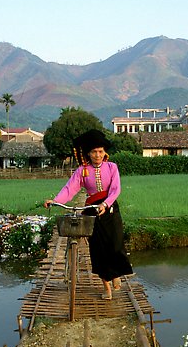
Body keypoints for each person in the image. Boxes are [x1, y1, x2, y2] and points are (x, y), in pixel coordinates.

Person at [43, 129, 133, 300]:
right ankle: (106, 286)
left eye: (100, 151)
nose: (97, 155)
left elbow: (115, 189)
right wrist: (54, 200)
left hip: (111, 209)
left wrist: (106, 204)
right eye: (93, 152)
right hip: (91, 212)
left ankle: (115, 274)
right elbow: (70, 189)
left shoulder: (112, 167)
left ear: (105, 152)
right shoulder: (82, 171)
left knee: (115, 244)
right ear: (88, 154)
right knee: (98, 250)